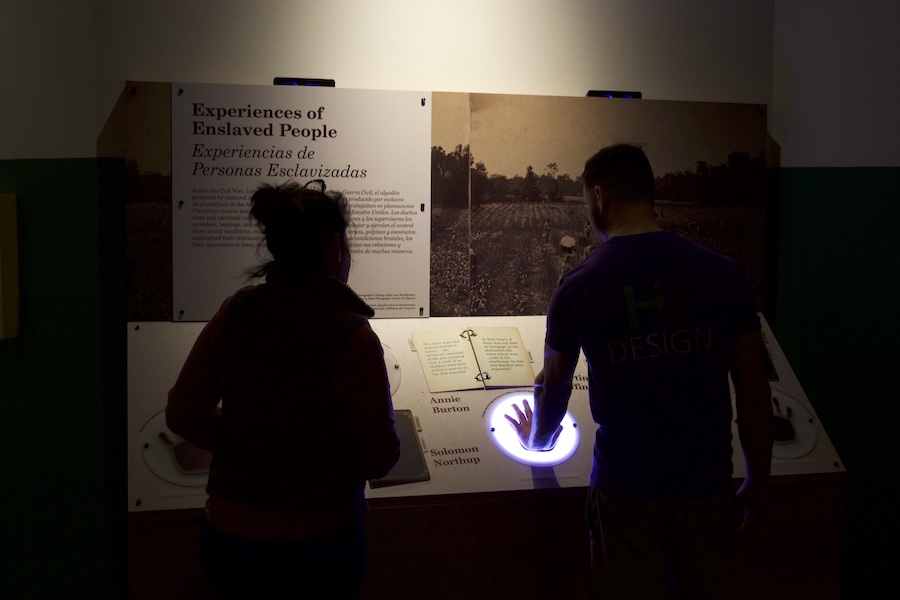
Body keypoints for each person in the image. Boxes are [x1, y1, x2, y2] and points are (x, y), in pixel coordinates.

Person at [505, 144, 773, 599]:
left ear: (601, 198)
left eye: (588, 201)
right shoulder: (724, 274)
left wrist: (539, 438)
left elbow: (554, 385)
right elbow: (752, 388)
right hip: (706, 486)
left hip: (626, 489)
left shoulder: (579, 285)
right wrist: (757, 480)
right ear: (651, 195)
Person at [166, 180, 401, 599]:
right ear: (334, 247)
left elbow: (183, 413)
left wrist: (237, 441)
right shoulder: (353, 335)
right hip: (320, 542)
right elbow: (380, 458)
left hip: (232, 534)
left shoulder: (235, 311)